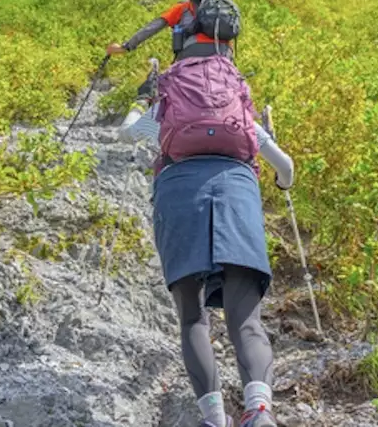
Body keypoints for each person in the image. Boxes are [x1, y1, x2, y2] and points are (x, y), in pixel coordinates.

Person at [120, 58, 293, 427]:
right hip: (237, 191)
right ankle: (259, 412)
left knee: (193, 319)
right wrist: (283, 183)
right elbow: (286, 167)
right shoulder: (239, 113)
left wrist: (140, 102)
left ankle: (215, 418)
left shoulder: (166, 104)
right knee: (246, 320)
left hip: (179, 193)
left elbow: (128, 133)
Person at [107, 0, 238, 62]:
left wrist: (127, 46)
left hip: (191, 51)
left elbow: (152, 28)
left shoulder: (183, 7)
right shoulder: (221, 11)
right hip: (225, 53)